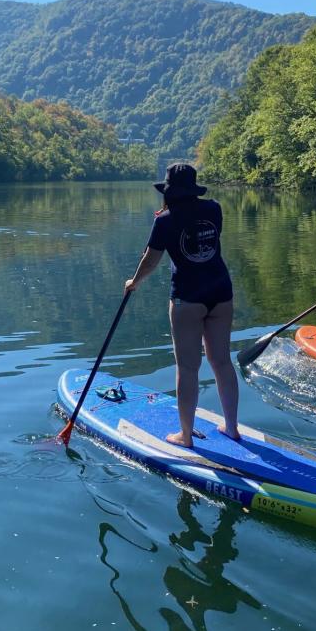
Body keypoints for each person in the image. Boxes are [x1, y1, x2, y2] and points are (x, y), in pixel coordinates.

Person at [125, 163, 239, 448]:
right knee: (222, 361)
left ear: (169, 191)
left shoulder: (164, 220)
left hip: (188, 297)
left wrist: (134, 282)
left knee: (187, 368)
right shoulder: (214, 208)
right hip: (221, 292)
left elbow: (151, 260)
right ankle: (232, 429)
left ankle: (185, 437)